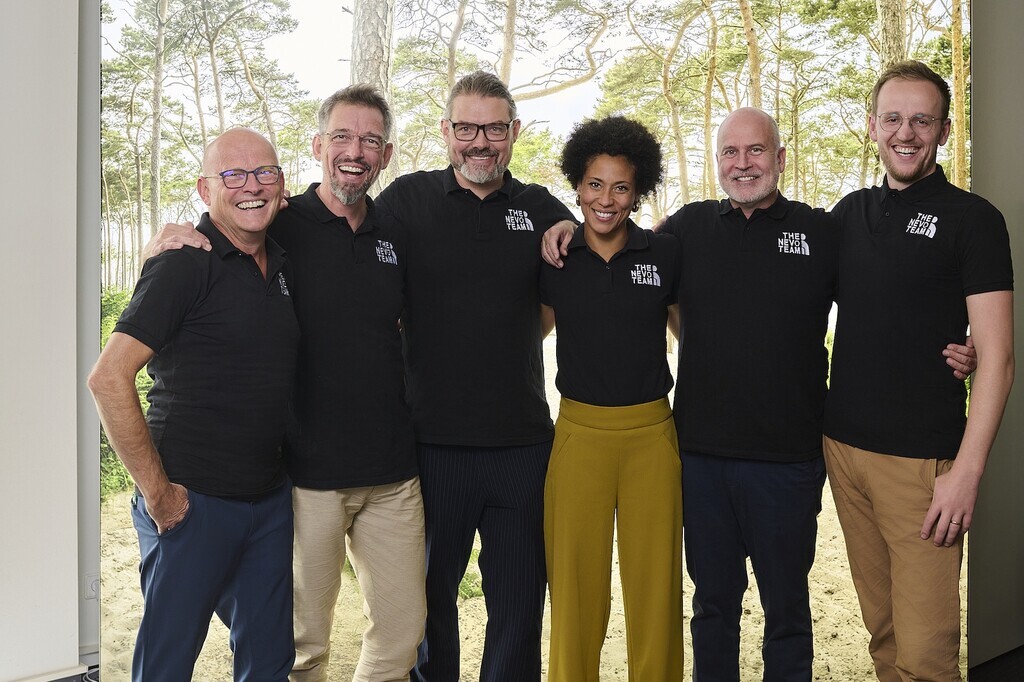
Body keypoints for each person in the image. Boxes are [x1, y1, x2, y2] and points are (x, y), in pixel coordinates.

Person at [541, 107, 979, 681]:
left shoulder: (824, 231)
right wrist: (564, 226)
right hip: (701, 459)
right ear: (718, 162)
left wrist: (960, 344)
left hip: (789, 462)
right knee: (712, 607)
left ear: (779, 158)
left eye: (755, 152)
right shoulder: (685, 232)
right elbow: (622, 247)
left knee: (787, 612)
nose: (743, 164)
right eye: (730, 152)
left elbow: (887, 294)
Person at [145, 86, 426, 682]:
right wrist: (163, 240)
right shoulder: (281, 223)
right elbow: (219, 230)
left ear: (387, 152)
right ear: (319, 146)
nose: (356, 151)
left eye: (371, 140)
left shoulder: (396, 232)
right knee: (301, 646)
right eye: (343, 137)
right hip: (306, 477)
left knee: (402, 634)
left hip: (394, 474)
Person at [372, 70, 576, 682]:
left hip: (521, 447)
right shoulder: (406, 202)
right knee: (428, 601)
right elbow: (335, 241)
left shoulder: (540, 209)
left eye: (493, 128)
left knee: (517, 600)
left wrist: (570, 229)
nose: (479, 142)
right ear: (446, 133)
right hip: (431, 446)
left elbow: (598, 250)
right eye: (466, 128)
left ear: (514, 132)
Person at [824, 60, 1014, 682]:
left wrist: (966, 472)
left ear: (943, 129)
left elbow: (998, 359)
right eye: (893, 118)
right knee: (884, 640)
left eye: (922, 120)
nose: (906, 132)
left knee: (927, 656)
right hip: (843, 451)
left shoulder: (974, 219)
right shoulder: (849, 213)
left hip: (922, 468)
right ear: (872, 127)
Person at [88, 127, 299, 681]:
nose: (251, 186)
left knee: (269, 661)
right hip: (192, 503)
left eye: (265, 173)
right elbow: (109, 377)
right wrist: (159, 495)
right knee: (167, 663)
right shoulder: (184, 262)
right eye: (233, 174)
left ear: (281, 185)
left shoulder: (282, 258)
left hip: (269, 501)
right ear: (205, 191)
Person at [540, 116, 683, 681]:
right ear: (577, 186)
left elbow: (698, 336)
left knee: (656, 590)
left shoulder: (665, 253)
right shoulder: (554, 256)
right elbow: (520, 335)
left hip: (652, 437)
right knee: (574, 591)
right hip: (578, 435)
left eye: (621, 186)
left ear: (638, 189)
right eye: (595, 184)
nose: (606, 199)